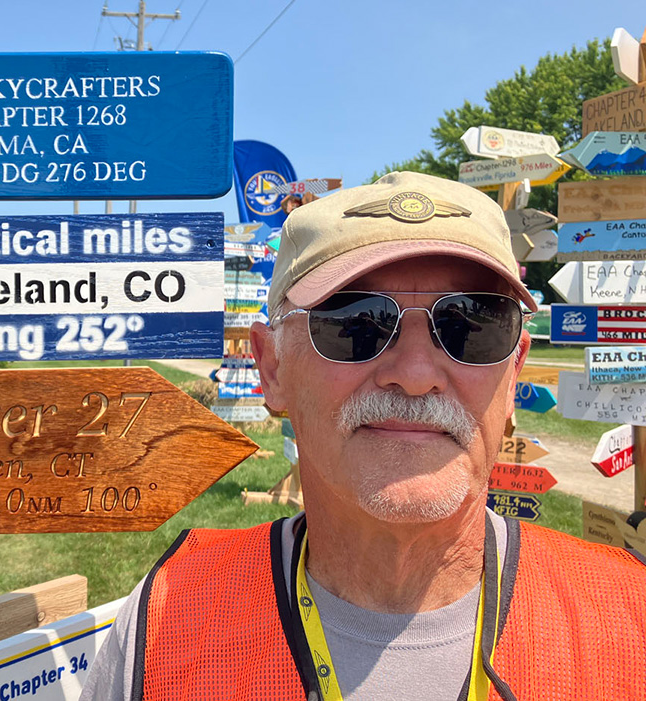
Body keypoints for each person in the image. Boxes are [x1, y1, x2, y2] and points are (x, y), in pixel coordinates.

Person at [79, 172, 646, 701]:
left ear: (514, 370)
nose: (416, 374)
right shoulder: (165, 618)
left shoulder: (630, 615)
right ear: (272, 368)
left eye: (472, 325)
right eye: (355, 322)